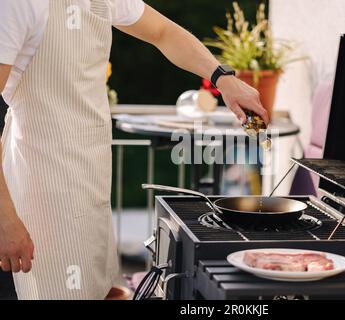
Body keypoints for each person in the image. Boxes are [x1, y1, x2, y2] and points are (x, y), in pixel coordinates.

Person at [0, 0, 268, 300]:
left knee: (101, 291)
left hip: (91, 180)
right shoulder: (18, 4)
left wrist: (225, 79)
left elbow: (163, 32)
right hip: (42, 189)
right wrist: (6, 219)